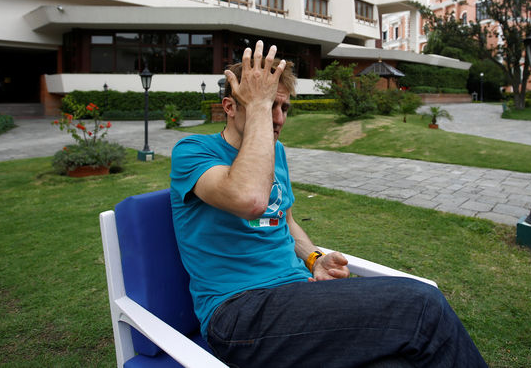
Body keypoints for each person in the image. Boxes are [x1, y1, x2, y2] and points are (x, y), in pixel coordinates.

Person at [170, 41, 487, 367]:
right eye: (267, 106)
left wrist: (314, 258)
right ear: (230, 106)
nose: (277, 118)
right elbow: (250, 200)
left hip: (296, 295)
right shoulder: (193, 152)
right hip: (238, 312)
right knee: (423, 305)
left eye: (284, 108)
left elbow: (286, 221)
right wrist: (260, 110)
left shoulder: (275, 153)